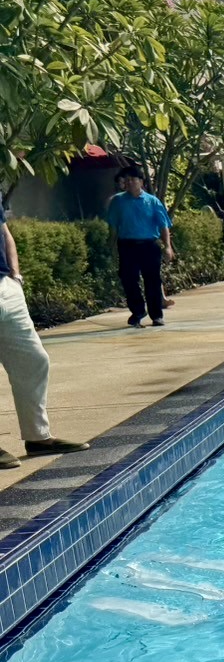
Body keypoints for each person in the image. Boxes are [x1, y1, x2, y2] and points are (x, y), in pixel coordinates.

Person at [0, 202, 90, 469]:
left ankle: (37, 437)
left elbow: (5, 232)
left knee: (34, 361)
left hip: (7, 287)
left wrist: (16, 276)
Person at [106, 166, 174, 327]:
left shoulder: (152, 201)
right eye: (126, 180)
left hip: (149, 245)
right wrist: (111, 246)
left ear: (141, 182)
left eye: (133, 179)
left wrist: (168, 246)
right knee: (128, 279)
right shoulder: (118, 201)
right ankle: (137, 311)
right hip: (127, 245)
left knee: (152, 280)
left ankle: (156, 315)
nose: (129, 182)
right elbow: (113, 226)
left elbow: (163, 226)